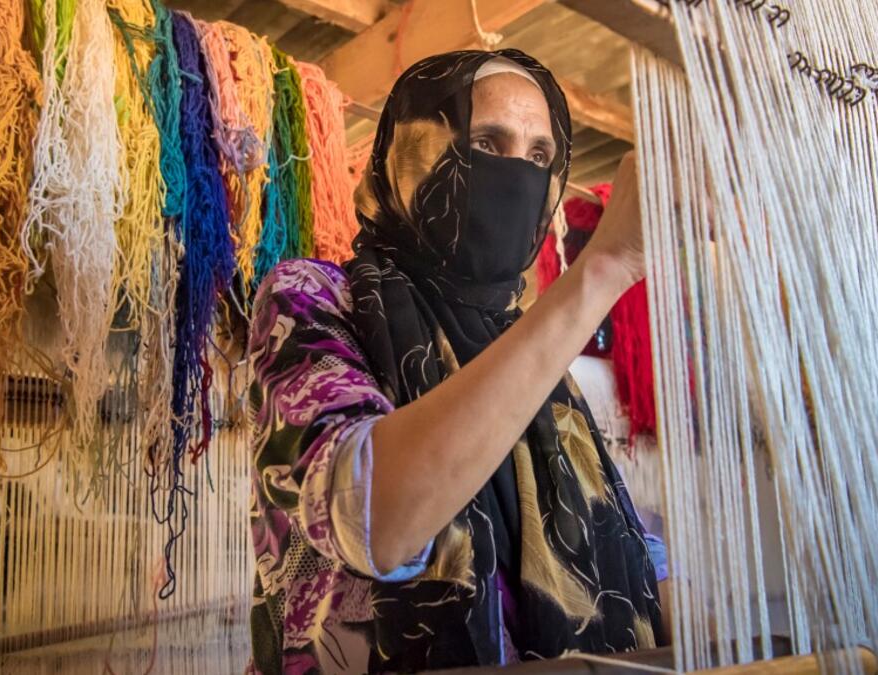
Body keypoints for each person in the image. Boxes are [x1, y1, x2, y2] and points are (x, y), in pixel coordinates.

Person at [247, 49, 665, 674]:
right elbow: (377, 521)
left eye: (538, 156)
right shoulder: (313, 298)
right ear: (406, 151)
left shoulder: (527, 347)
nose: (515, 175)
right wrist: (601, 271)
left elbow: (631, 558)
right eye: (487, 142)